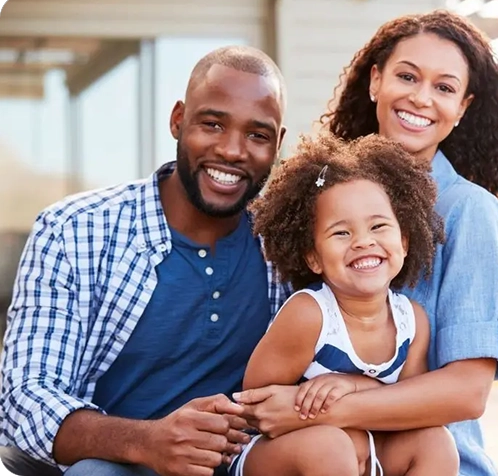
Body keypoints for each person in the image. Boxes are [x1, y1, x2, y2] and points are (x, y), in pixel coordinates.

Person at [232, 9, 498, 476]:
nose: (421, 98)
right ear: (376, 80)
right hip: (320, 455)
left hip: (429, 460)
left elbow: (467, 391)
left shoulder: (469, 212)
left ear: (462, 107)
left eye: (444, 87)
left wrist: (319, 405)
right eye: (407, 76)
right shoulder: (323, 194)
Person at [0, 45, 293, 476]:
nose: (233, 150)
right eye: (212, 124)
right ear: (178, 120)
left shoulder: (289, 246)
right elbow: (25, 397)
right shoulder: (74, 231)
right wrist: (148, 442)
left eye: (257, 135)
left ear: (278, 143)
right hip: (114, 463)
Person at [230, 132, 457, 476]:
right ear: (313, 258)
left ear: (405, 241)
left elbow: (409, 406)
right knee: (331, 447)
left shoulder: (412, 322)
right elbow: (257, 404)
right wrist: (321, 408)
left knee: (435, 441)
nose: (364, 242)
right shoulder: (310, 315)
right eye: (341, 233)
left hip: (366, 453)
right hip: (280, 456)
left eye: (379, 226)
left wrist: (353, 386)